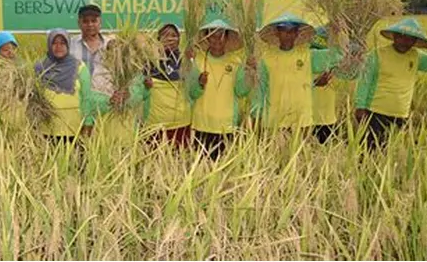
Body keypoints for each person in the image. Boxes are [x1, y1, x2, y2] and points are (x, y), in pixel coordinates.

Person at [353, 17, 427, 149]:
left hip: (400, 114)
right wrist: (360, 107)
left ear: (415, 41)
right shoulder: (377, 55)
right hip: (374, 112)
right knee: (369, 150)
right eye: (401, 37)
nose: (405, 42)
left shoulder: (416, 56)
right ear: (394, 36)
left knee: (391, 152)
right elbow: (364, 81)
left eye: (410, 38)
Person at [252, 14, 351, 138]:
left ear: (297, 33)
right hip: (274, 120)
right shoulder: (266, 59)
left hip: (302, 120)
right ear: (277, 33)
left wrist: (338, 33)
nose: (288, 35)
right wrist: (256, 118)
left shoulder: (308, 56)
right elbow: (260, 92)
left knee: (301, 154)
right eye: (284, 31)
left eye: (292, 31)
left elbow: (338, 55)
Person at [185, 18, 255, 160]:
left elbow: (241, 91)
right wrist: (199, 84)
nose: (217, 40)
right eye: (213, 36)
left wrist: (250, 72)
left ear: (227, 39)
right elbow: (191, 93)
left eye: (221, 36)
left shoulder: (236, 62)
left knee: (224, 169)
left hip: (226, 126)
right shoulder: (197, 60)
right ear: (207, 39)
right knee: (200, 169)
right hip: (202, 125)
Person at [128, 23, 192, 147]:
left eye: (174, 35)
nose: (170, 38)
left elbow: (194, 91)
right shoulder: (148, 62)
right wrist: (145, 87)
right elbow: (136, 95)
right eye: (165, 35)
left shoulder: (185, 61)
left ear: (179, 40)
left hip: (181, 125)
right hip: (154, 126)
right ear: (158, 40)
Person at [36, 28, 104, 145]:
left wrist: (88, 123)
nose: (59, 46)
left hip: (74, 129)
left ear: (68, 45)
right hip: (46, 129)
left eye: (62, 43)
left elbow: (86, 98)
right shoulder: (39, 68)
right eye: (54, 43)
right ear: (49, 44)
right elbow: (33, 98)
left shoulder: (80, 67)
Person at [309, 26, 358, 144]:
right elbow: (318, 59)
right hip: (306, 116)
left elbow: (350, 75)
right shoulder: (310, 51)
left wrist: (356, 60)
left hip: (327, 117)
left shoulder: (340, 43)